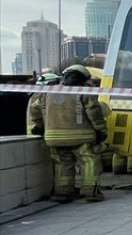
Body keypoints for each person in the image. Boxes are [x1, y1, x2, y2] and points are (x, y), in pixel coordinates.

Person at [30, 65, 107, 202]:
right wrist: (100, 130)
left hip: (53, 137)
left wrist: (40, 126)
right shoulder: (83, 92)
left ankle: (63, 192)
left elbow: (35, 110)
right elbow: (94, 112)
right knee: (89, 161)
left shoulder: (47, 92)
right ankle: (91, 192)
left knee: (62, 164)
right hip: (81, 137)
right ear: (83, 78)